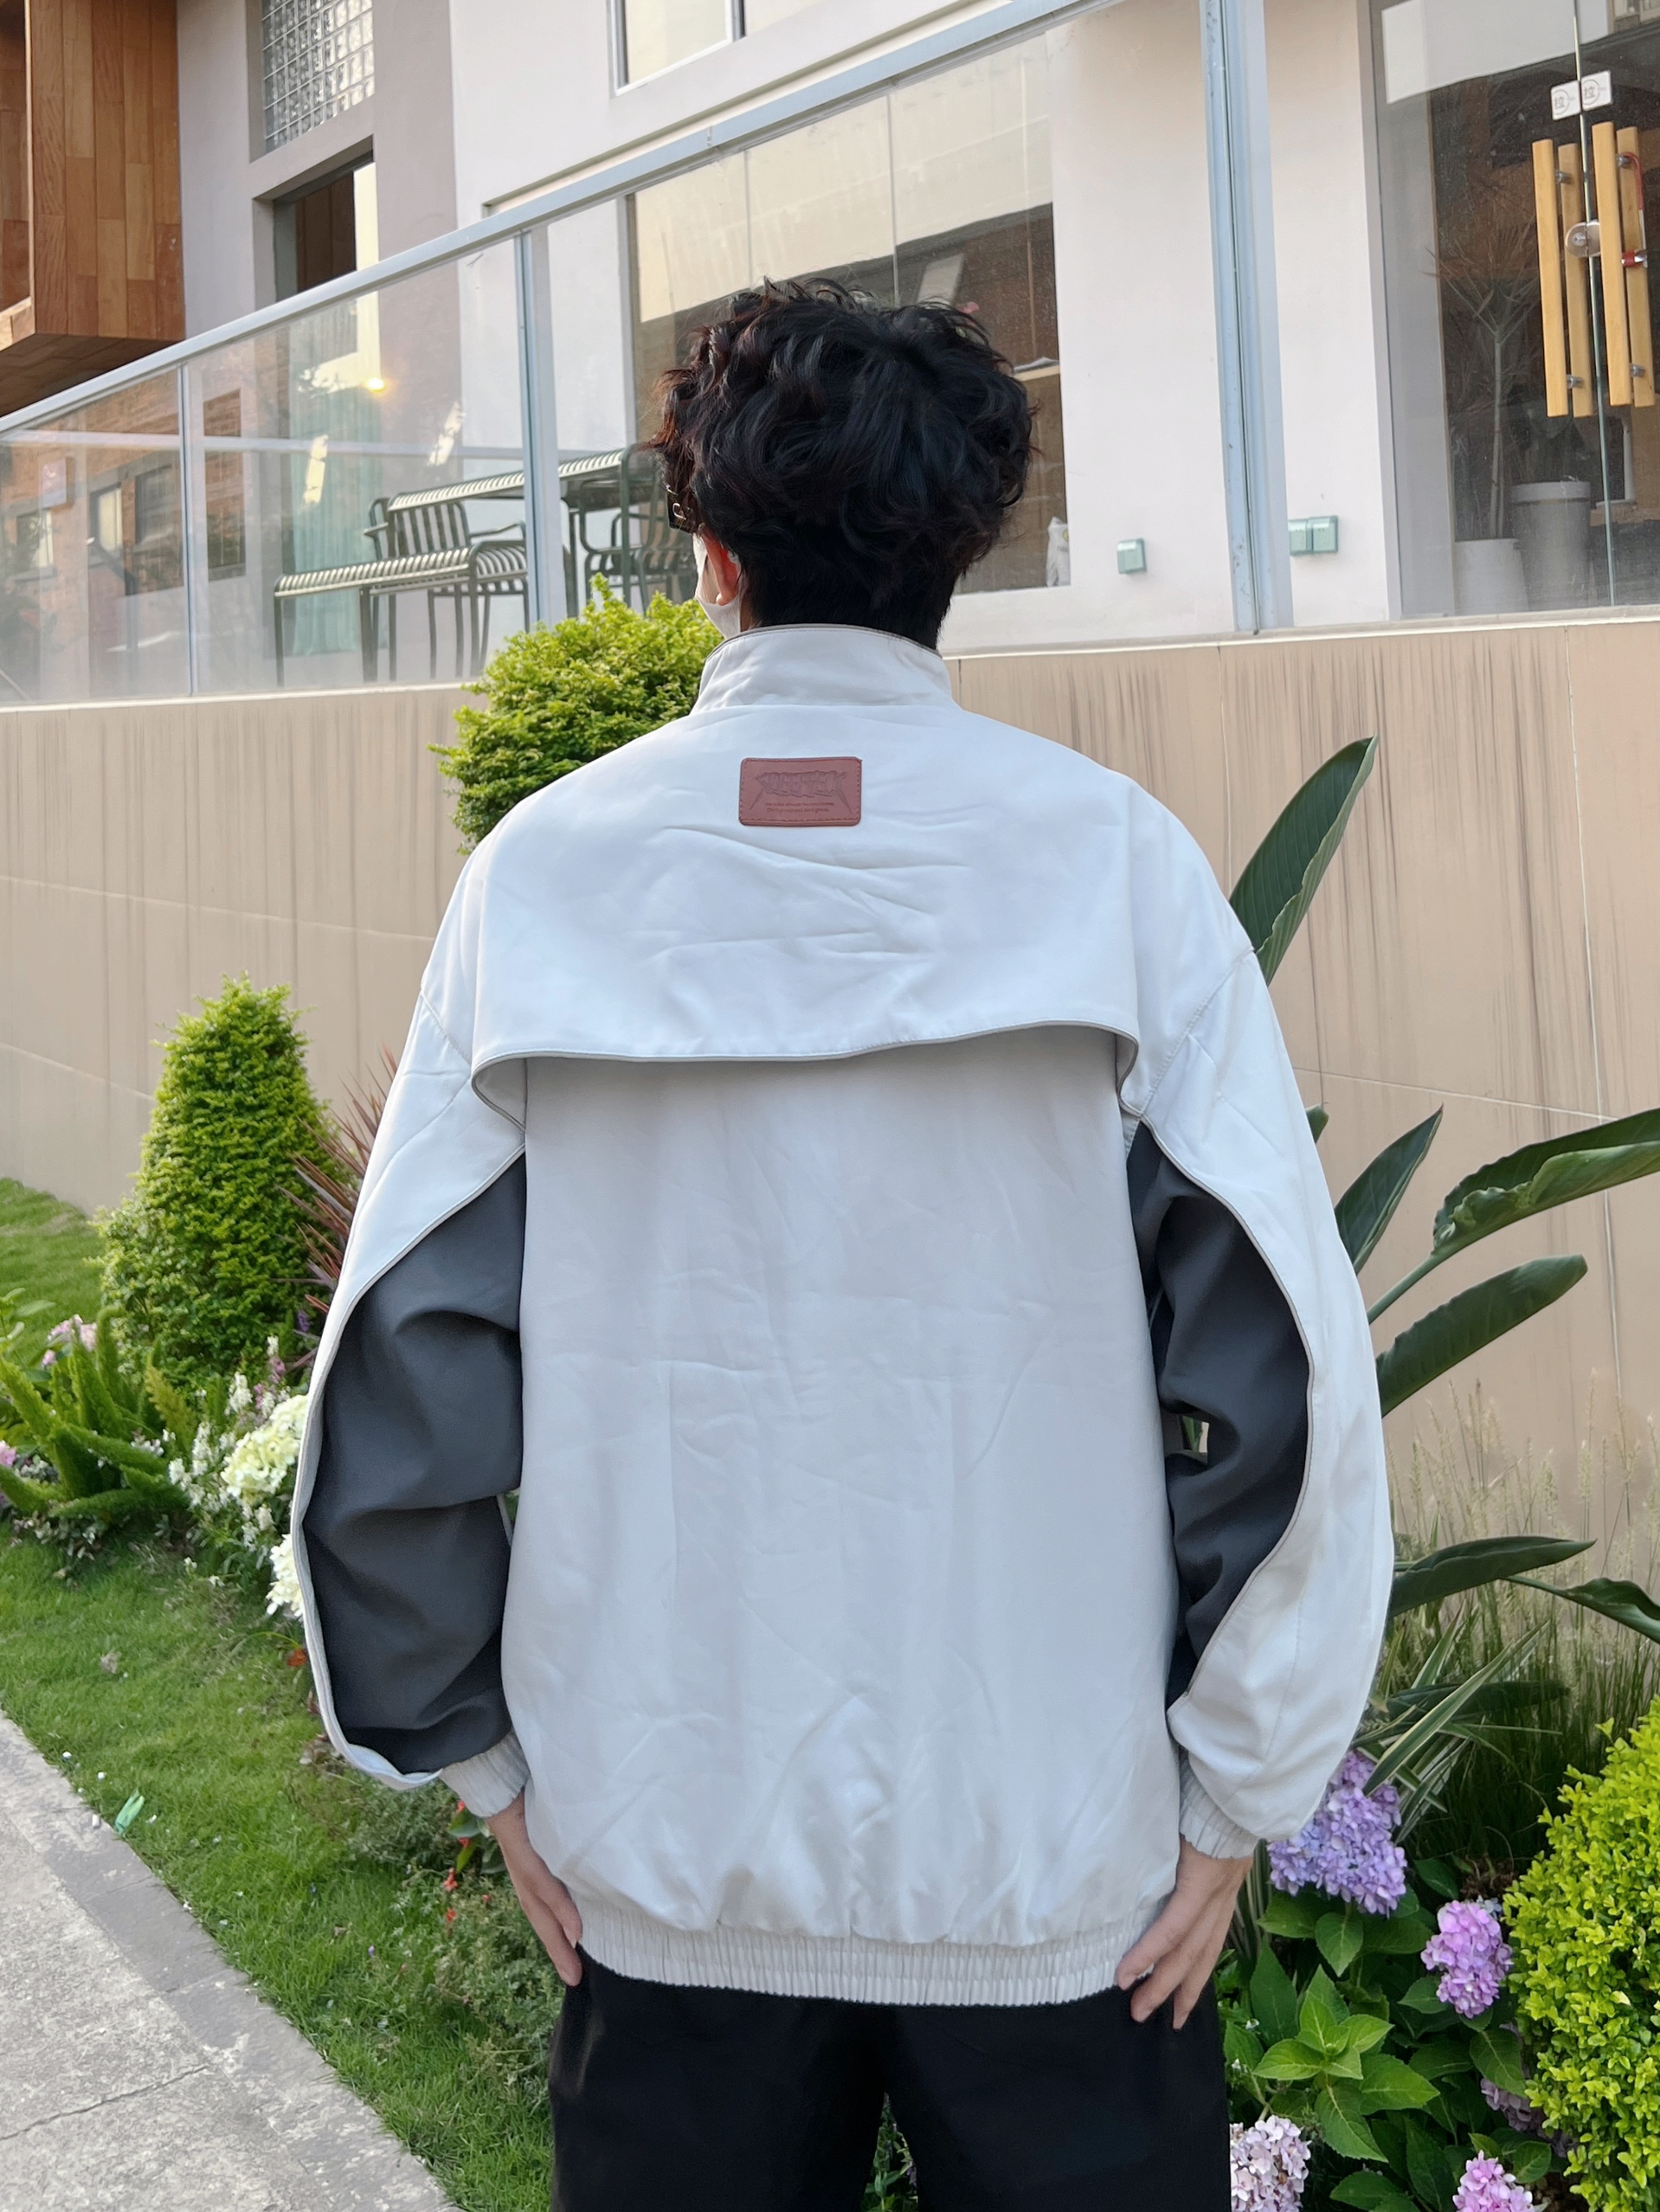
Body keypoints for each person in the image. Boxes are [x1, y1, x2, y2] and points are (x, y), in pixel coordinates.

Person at [291, 280, 1391, 2211]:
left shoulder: (544, 879)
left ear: (708, 556)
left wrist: (478, 1762)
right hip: (1056, 1865)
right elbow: (1279, 1376)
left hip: (664, 1855)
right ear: (963, 557)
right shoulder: (1113, 869)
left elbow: (403, 1385)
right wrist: (1240, 1787)